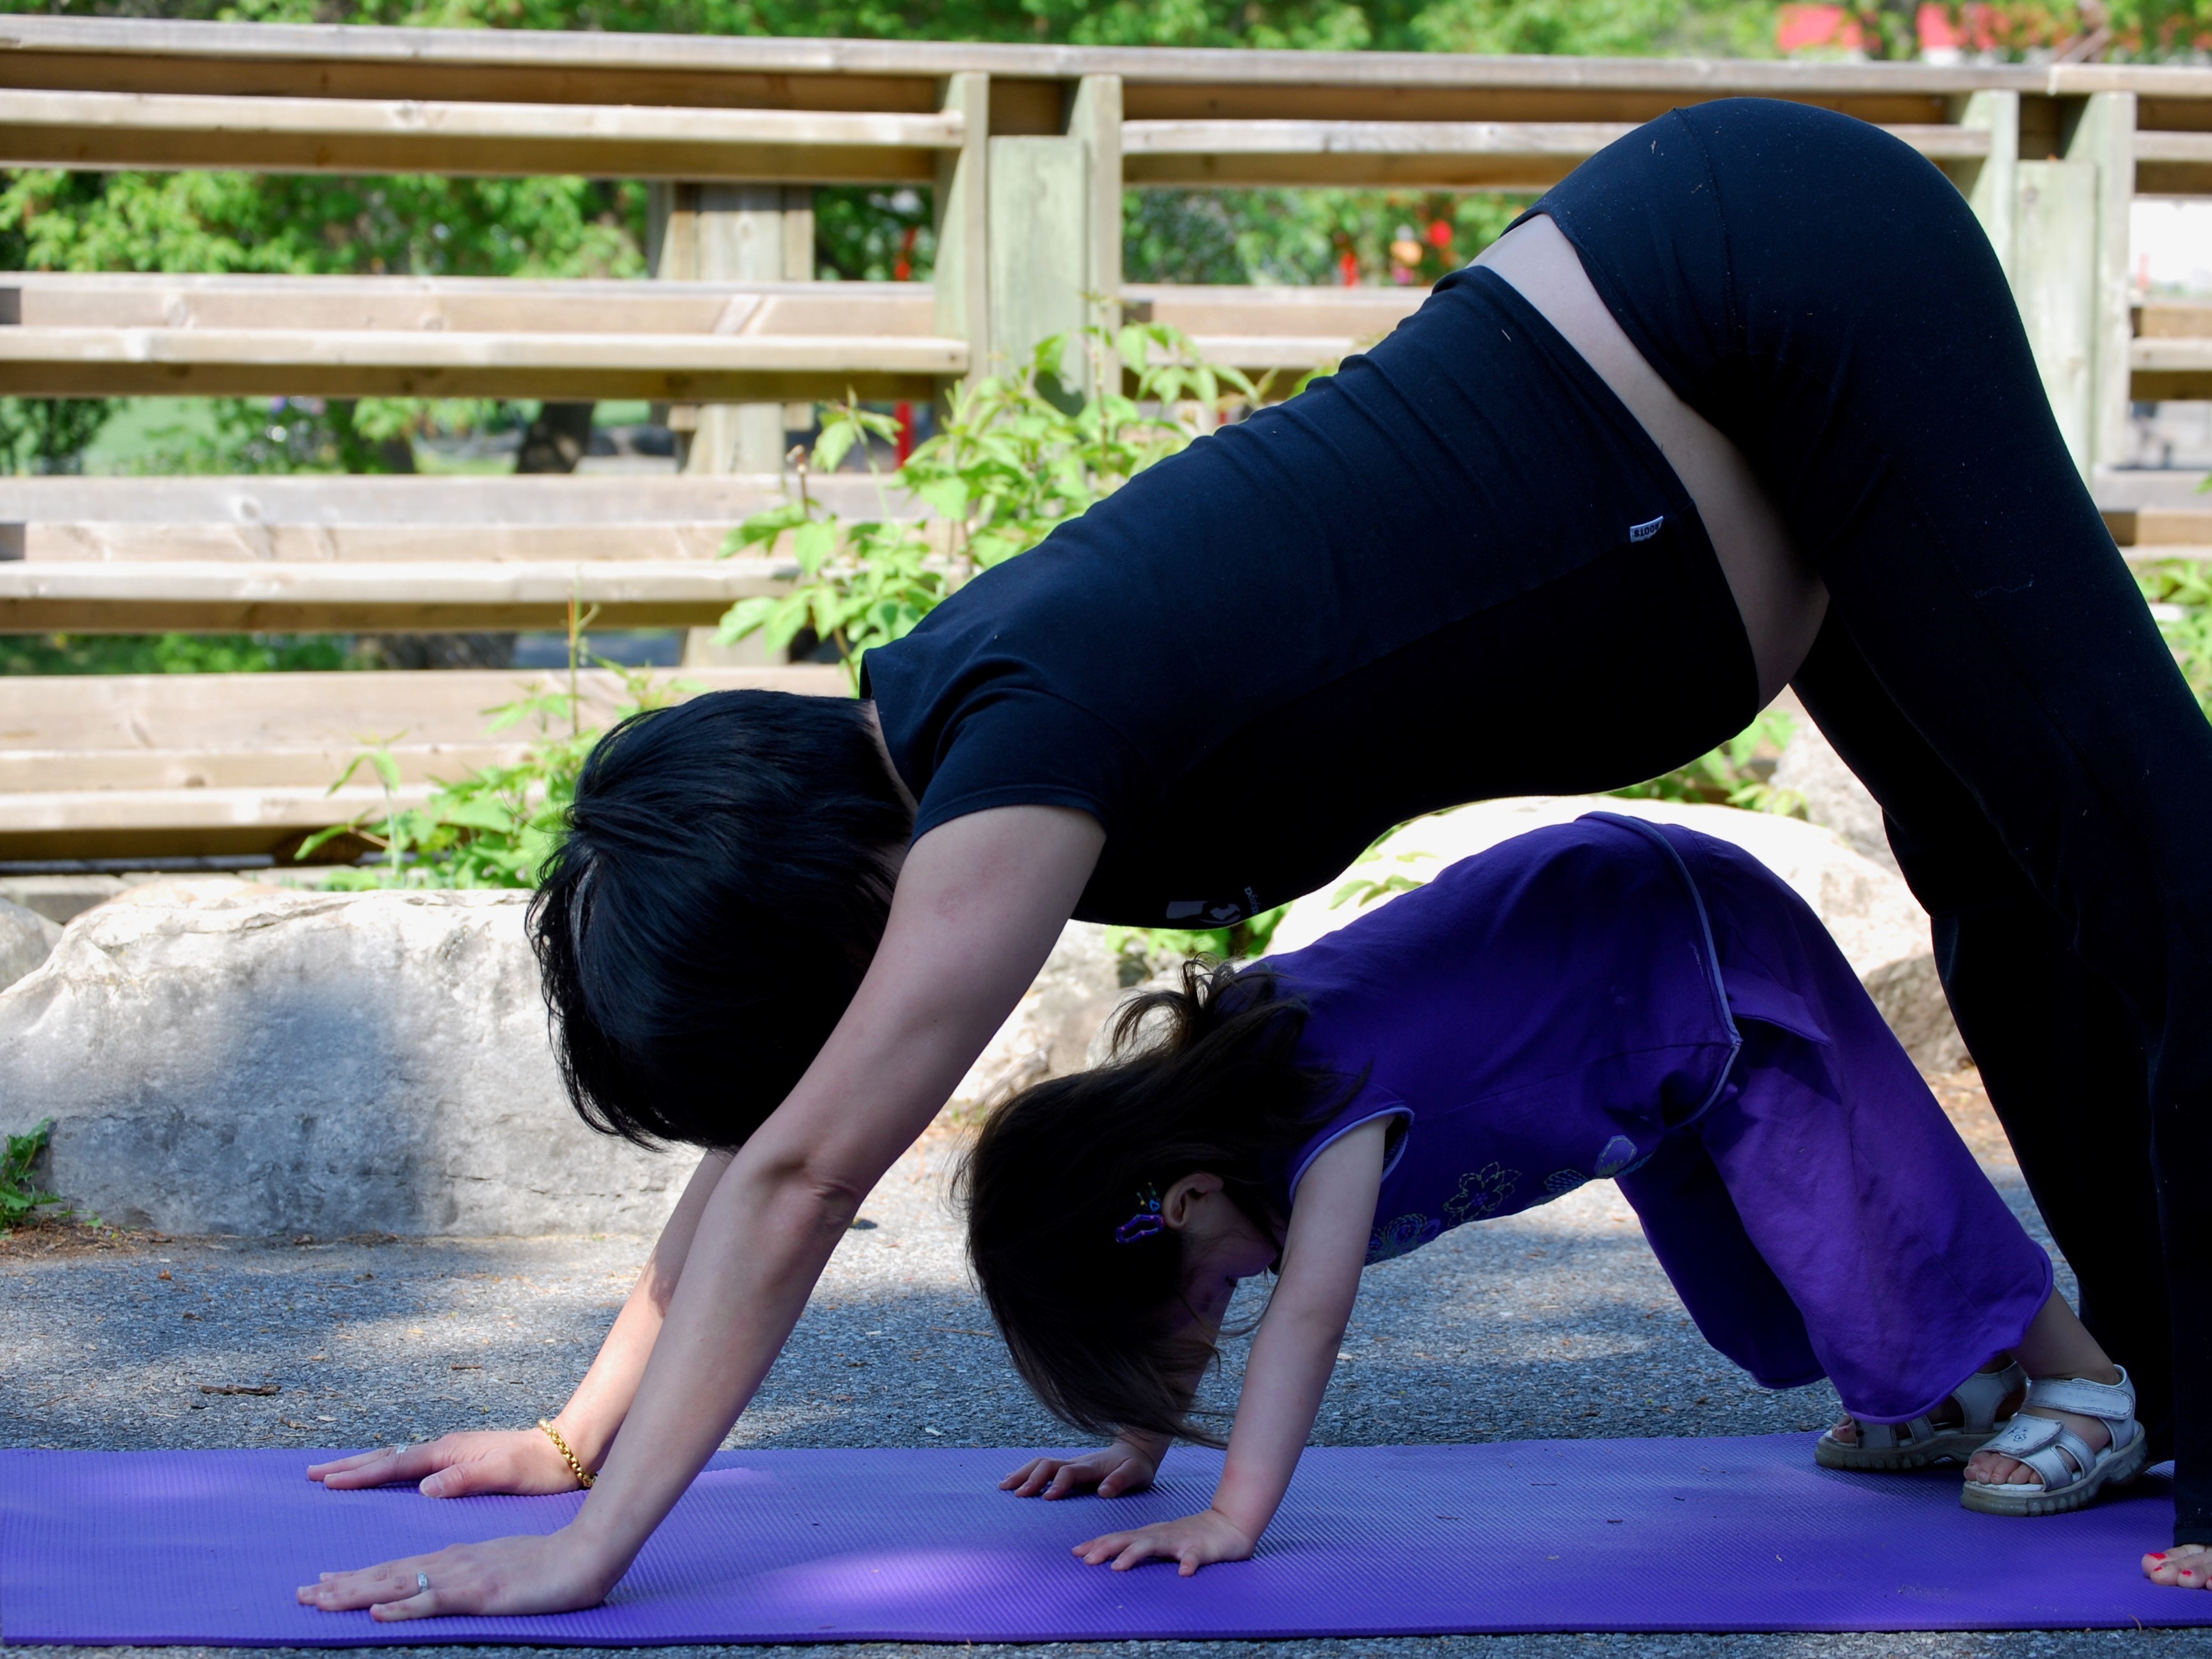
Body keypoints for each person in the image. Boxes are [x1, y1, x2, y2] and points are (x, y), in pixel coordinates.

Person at [294, 97, 2211, 1623]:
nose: (846, 1050)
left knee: (2161, 873)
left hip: (1765, 288)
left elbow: (802, 1171)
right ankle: (2148, 1386)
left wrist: (597, 1544)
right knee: (2029, 890)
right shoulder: (943, 729)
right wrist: (568, 1432)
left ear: (846, 916)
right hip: (1717, 382)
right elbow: (766, 1143)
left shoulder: (1011, 768)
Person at [972, 815, 2148, 1571]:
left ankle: (2087, 1383)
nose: (1217, 1311)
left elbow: (1308, 1317)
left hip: (1677, 945)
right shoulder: (1206, 1162)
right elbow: (1186, 1298)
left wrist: (1231, 1516)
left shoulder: (1320, 1102)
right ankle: (1959, 1386)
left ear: (1177, 1201)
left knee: (1867, 1195)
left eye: (1186, 1304)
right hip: (1614, 1024)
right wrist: (1139, 1443)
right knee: (1766, 1273)